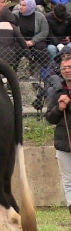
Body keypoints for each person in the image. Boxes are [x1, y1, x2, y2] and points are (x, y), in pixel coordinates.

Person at [45, 53, 71, 219]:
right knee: (68, 181)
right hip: (64, 143)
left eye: (70, 67)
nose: (67, 70)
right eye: (64, 68)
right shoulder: (56, 92)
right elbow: (50, 118)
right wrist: (59, 108)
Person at [13, 0, 52, 66]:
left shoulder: (40, 16)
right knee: (16, 47)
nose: (20, 7)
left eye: (24, 5)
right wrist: (22, 41)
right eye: (20, 4)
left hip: (35, 40)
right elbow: (12, 29)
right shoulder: (15, 15)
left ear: (30, 6)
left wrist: (32, 41)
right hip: (19, 40)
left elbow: (44, 31)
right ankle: (15, 69)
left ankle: (44, 70)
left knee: (40, 47)